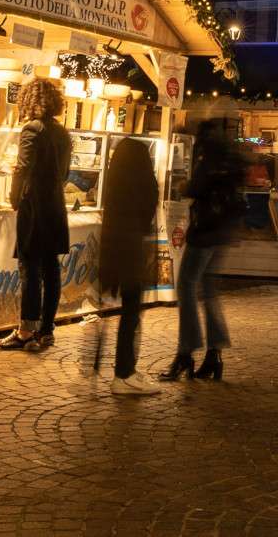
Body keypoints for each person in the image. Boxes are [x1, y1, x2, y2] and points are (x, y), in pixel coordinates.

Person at [164, 117, 246, 382]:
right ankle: (214, 354)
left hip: (205, 231)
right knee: (209, 290)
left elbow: (196, 187)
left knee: (186, 286)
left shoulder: (208, 157)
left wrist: (183, 186)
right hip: (222, 231)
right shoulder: (230, 156)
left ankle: (185, 352)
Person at [0, 80, 72, 352]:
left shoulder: (31, 129)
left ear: (29, 101)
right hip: (55, 207)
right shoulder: (62, 132)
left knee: (30, 269)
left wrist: (14, 198)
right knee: (51, 269)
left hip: (34, 208)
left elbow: (22, 168)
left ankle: (26, 330)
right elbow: (64, 174)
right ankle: (47, 329)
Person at [94, 136, 158, 394]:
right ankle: (124, 373)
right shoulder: (139, 191)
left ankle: (126, 369)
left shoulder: (115, 190)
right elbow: (149, 207)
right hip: (130, 253)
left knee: (129, 313)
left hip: (115, 253)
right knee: (132, 313)